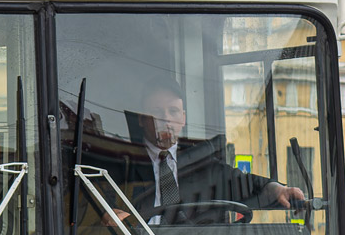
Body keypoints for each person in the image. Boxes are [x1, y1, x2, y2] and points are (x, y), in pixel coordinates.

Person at [107, 76, 306, 226]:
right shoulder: (120, 163)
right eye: (157, 112)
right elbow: (100, 204)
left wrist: (277, 190)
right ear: (141, 119)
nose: (165, 119)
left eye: (173, 111)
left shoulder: (201, 163)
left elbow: (243, 183)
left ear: (183, 118)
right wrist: (106, 213)